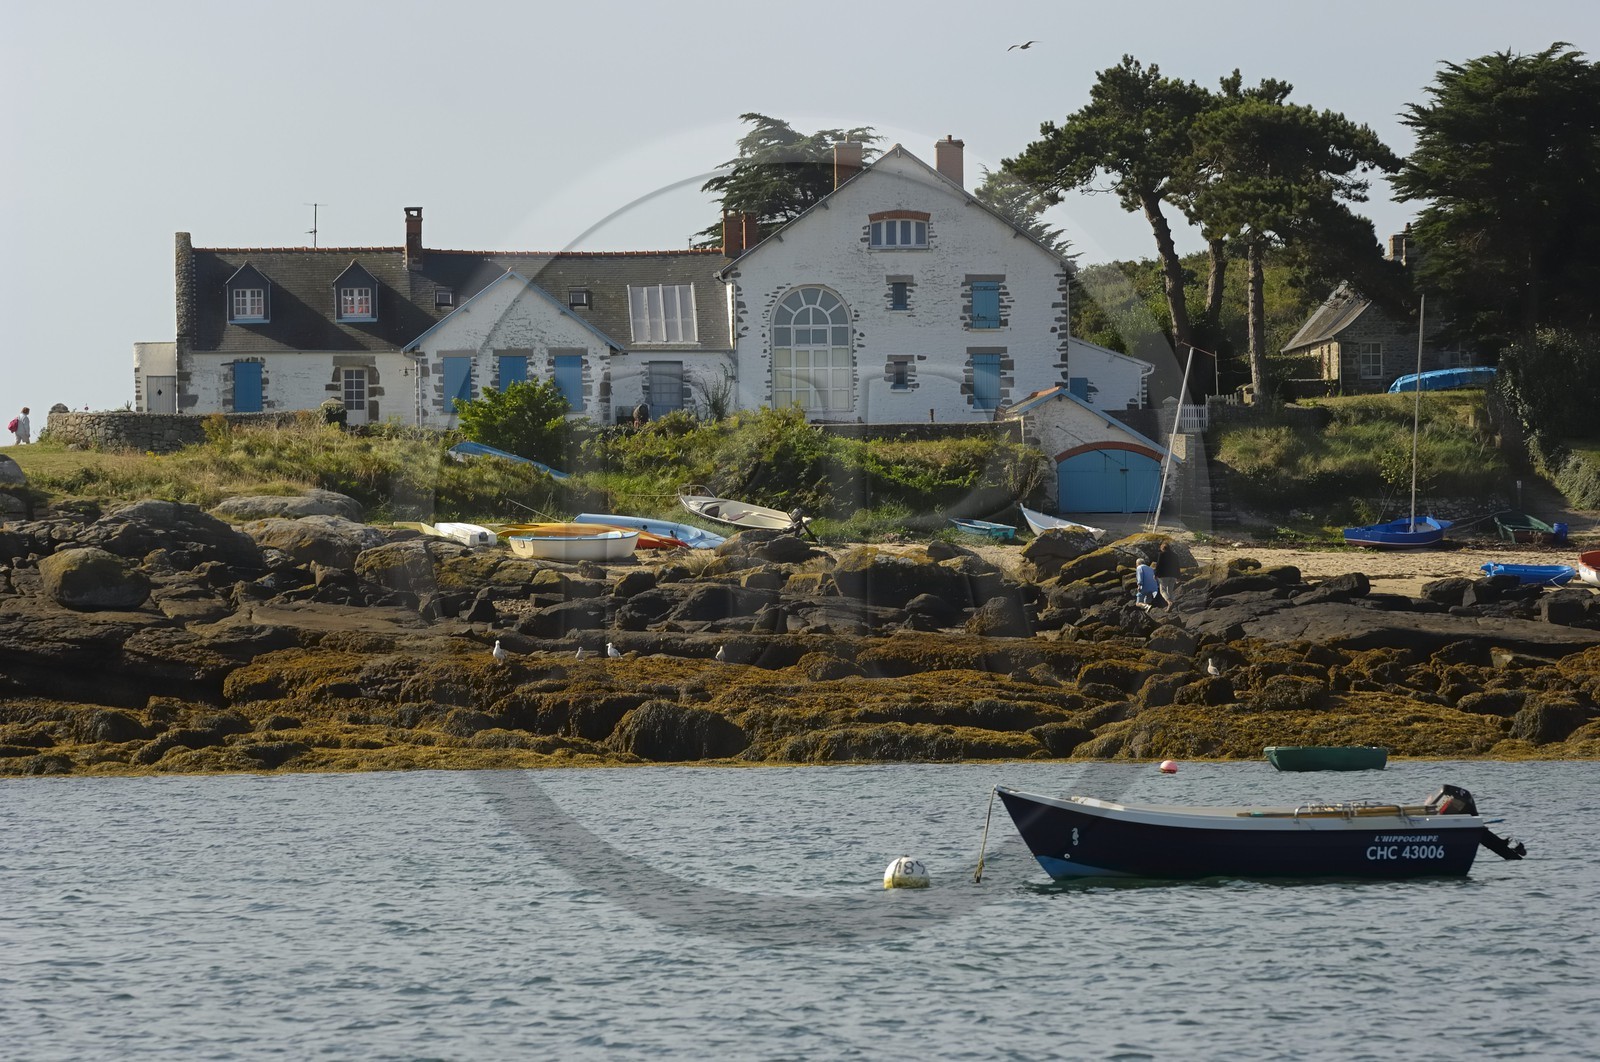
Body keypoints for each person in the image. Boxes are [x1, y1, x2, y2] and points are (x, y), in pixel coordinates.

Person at [1155, 541, 1181, 609]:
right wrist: (1178, 576)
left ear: (1163, 548)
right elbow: (1177, 566)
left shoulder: (1161, 554)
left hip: (1163, 576)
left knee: (1162, 590)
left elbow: (1158, 565)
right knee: (1170, 591)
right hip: (1173, 575)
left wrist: (1155, 574)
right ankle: (1173, 607)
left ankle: (1169, 602)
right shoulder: (1175, 555)